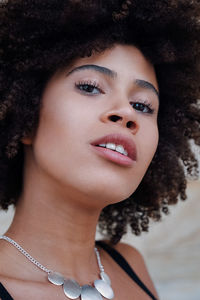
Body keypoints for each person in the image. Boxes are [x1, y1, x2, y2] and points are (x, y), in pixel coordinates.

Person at [0, 1, 199, 299]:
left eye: (143, 105)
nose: (127, 114)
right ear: (25, 117)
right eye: (90, 87)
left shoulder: (131, 266)